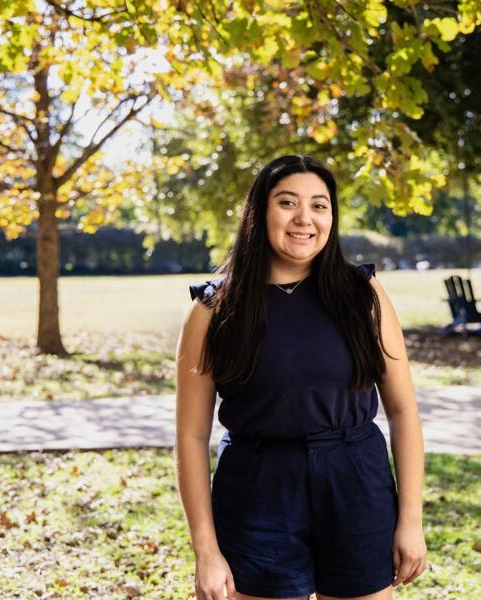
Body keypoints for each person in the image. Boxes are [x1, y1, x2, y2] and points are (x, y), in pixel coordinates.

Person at [175, 155, 427, 600]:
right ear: (260, 211)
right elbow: (192, 437)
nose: (304, 219)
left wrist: (410, 518)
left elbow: (403, 410)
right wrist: (206, 550)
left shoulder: (362, 294)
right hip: (257, 489)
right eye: (287, 202)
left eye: (319, 205)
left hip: (356, 483)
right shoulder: (214, 310)